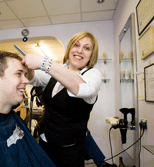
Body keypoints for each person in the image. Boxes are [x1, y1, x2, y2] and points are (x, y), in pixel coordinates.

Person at [22, 31, 102, 167]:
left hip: (70, 152)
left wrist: (44, 63)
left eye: (87, 48)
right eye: (76, 45)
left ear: (91, 54)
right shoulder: (59, 70)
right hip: (44, 142)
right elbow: (34, 79)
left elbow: (83, 88)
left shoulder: (93, 75)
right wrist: (29, 69)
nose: (80, 51)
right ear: (70, 48)